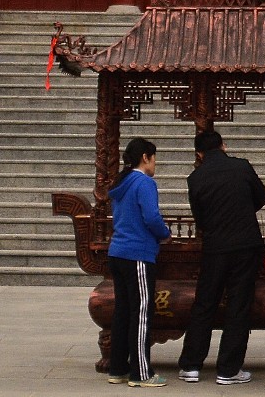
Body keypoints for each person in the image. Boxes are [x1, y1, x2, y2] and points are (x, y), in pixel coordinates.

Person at [177, 127, 265, 386]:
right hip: (245, 246)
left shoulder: (195, 178)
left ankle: (191, 365)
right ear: (223, 146)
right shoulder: (242, 167)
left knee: (205, 303)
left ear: (199, 153)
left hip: (215, 247)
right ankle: (228, 369)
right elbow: (260, 196)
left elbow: (200, 217)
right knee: (238, 306)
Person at [108, 137, 173, 388]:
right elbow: (151, 217)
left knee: (123, 311)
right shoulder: (144, 182)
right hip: (138, 254)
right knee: (142, 312)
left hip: (118, 251)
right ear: (145, 157)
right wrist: (165, 234)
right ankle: (141, 373)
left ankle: (118, 368)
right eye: (154, 158)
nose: (155, 164)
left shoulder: (122, 182)